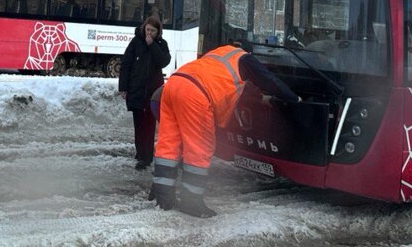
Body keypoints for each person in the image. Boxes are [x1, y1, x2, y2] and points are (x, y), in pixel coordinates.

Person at [150, 43, 300, 218]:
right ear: (247, 51)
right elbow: (268, 80)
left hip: (173, 85)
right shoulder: (244, 58)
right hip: (196, 94)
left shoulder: (217, 53)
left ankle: (163, 198)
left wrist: (260, 98)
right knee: (198, 149)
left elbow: (230, 84)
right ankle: (191, 203)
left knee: (168, 145)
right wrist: (293, 98)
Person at [118, 16, 170, 170]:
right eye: (147, 29)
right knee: (139, 124)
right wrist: (123, 87)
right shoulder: (135, 42)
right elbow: (126, 64)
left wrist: (152, 45)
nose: (149, 33)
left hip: (153, 93)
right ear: (144, 28)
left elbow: (163, 61)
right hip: (137, 90)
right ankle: (140, 153)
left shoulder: (161, 44)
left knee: (149, 125)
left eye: (153, 31)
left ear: (158, 32)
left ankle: (146, 157)